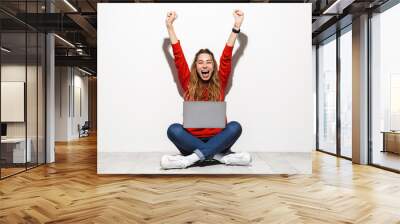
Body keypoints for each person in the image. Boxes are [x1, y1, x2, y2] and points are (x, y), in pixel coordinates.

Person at [161, 10, 251, 169]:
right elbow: (178, 55)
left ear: (213, 66)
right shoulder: (188, 82)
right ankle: (219, 157)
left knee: (235, 127)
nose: (204, 65)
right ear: (196, 66)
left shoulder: (220, 81)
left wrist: (236, 26)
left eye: (208, 62)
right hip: (190, 141)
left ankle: (189, 160)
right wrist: (169, 26)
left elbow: (226, 57)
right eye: (200, 62)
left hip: (219, 139)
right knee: (173, 130)